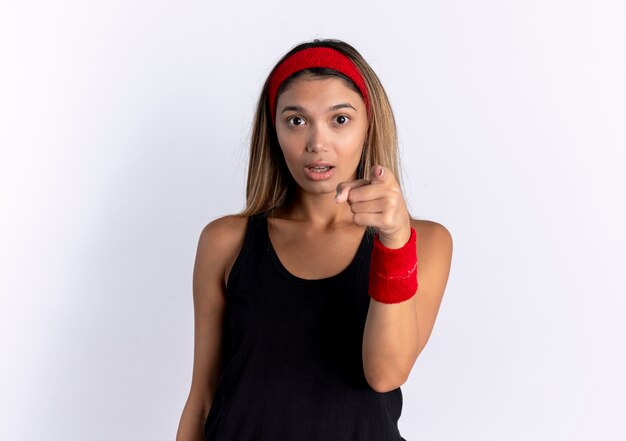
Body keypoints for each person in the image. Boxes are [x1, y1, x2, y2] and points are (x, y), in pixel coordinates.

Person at [175, 39, 453, 441]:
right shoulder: (226, 241)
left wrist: (393, 242)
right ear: (274, 130)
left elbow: (385, 373)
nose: (316, 143)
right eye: (296, 120)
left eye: (339, 119)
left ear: (368, 126)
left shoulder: (423, 241)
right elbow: (202, 398)